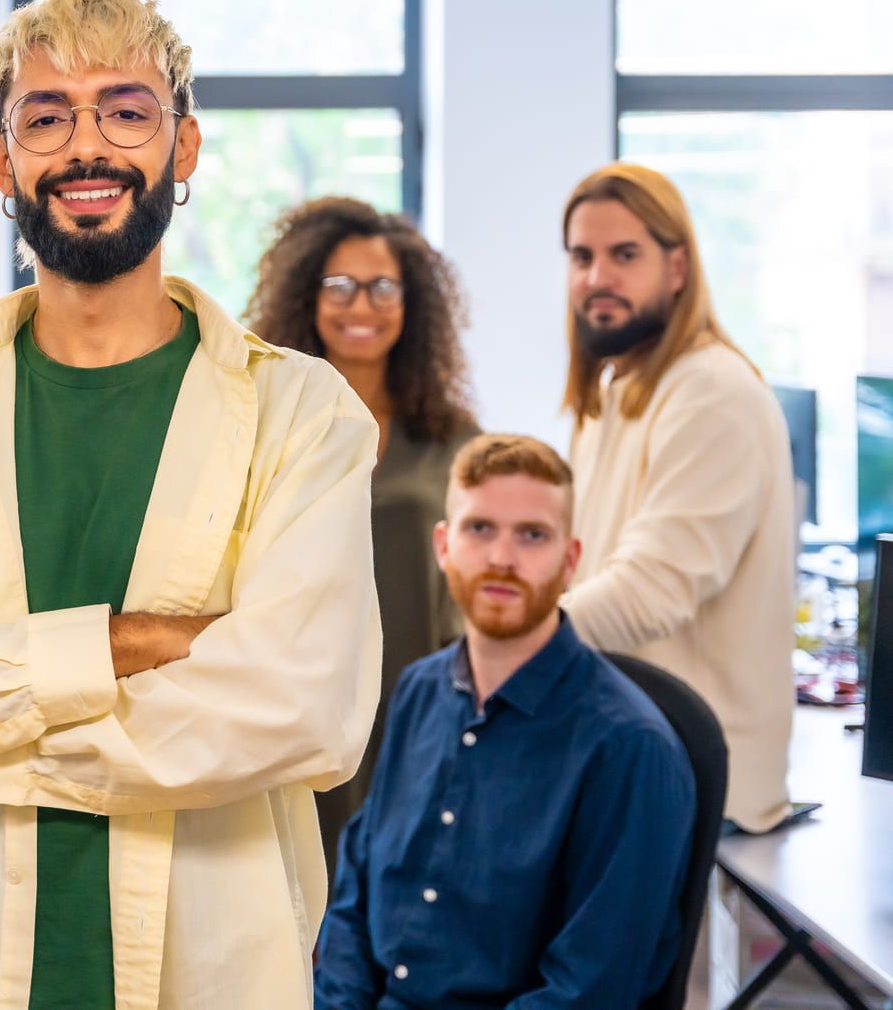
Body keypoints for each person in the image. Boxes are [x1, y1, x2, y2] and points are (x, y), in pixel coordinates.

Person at [0, 0, 382, 1008]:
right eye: (47, 117)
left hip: (210, 969)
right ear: (1, 161)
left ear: (183, 148)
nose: (87, 147)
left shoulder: (301, 416)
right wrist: (136, 643)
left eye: (127, 111)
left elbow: (302, 707)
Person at [314, 434, 696, 1008]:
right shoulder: (419, 690)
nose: (501, 558)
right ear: (443, 546)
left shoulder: (629, 748)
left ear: (570, 561)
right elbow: (355, 896)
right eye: (480, 528)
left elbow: (592, 990)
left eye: (532, 535)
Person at [559, 161, 793, 833]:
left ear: (678, 267)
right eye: (582, 256)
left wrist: (509, 650)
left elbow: (651, 590)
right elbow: (584, 566)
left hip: (694, 786)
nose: (597, 277)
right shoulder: (613, 390)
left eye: (624, 254)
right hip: (631, 759)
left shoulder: (711, 392)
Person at [248, 196, 478, 868]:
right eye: (340, 285)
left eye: (383, 288)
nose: (362, 306)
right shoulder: (266, 426)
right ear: (306, 296)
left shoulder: (451, 439)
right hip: (295, 699)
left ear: (412, 304)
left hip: (417, 708)